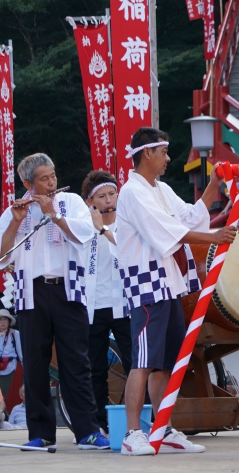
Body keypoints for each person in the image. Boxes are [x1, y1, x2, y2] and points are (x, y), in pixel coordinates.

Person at [115, 127, 236, 456]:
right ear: (147, 154)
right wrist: (215, 237)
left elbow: (190, 217)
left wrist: (214, 183)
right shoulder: (132, 192)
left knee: (166, 362)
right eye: (164, 152)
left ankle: (162, 426)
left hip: (168, 284)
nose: (168, 159)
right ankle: (131, 432)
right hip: (146, 286)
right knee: (143, 361)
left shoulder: (161, 188)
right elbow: (168, 232)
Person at [0, 153, 107, 450]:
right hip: (31, 293)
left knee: (76, 361)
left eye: (53, 175)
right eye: (44, 178)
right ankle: (40, 433)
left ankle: (88, 431)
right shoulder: (17, 209)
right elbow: (0, 260)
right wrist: (15, 223)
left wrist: (54, 213)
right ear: (28, 183)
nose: (52, 182)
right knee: (36, 364)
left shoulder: (72, 203)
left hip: (69, 289)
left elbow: (84, 236)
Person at [80, 170, 133, 433]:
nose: (108, 199)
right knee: (96, 369)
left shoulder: (126, 222)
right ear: (91, 201)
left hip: (125, 304)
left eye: (112, 193)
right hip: (94, 306)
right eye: (101, 196)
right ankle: (98, 424)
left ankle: (142, 419)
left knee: (135, 363)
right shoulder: (82, 226)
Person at [0, 308, 22, 397]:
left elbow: (20, 352)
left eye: (5, 319)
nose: (2, 322)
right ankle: (2, 411)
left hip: (8, 367)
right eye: (0, 320)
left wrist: (25, 368)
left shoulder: (15, 334)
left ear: (9, 322)